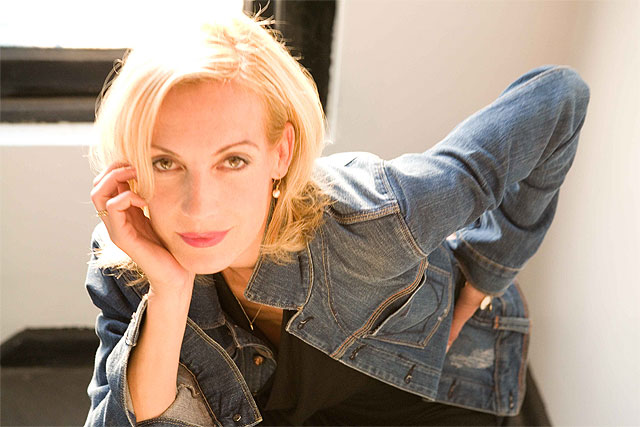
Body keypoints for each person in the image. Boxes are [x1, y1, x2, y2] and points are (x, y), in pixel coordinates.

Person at [84, 9, 589, 427]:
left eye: (232, 160)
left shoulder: (375, 219)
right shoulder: (132, 262)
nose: (199, 207)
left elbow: (560, 98)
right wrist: (171, 291)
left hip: (429, 401)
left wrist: (485, 271)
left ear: (280, 153)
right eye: (165, 163)